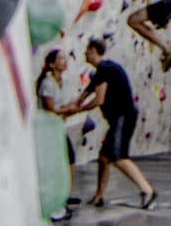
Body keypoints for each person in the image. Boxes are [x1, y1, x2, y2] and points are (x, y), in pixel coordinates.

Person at [62, 38, 156, 210]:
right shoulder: (103, 71)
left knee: (118, 157)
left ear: (93, 50)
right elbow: (85, 94)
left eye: (87, 50)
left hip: (123, 116)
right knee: (104, 158)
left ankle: (147, 189)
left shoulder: (105, 69)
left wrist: (76, 111)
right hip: (118, 117)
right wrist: (71, 106)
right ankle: (99, 196)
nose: (84, 53)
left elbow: (98, 100)